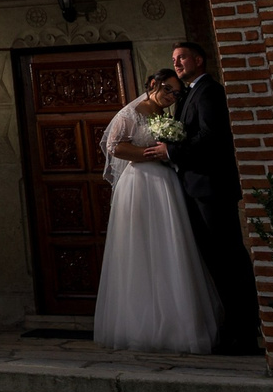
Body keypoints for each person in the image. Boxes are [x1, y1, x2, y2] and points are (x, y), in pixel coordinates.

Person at [143, 40, 263, 354]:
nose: (176, 63)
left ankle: (245, 334)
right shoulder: (188, 94)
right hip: (195, 187)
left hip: (212, 188)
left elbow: (212, 137)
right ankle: (231, 329)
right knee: (215, 261)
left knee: (228, 259)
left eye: (182, 57)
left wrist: (171, 151)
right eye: (174, 58)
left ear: (198, 60)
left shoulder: (209, 91)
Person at [94, 69, 224, 353]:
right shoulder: (130, 113)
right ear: (153, 84)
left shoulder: (166, 115)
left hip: (166, 182)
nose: (171, 97)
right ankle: (142, 324)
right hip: (140, 182)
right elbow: (114, 146)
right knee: (142, 247)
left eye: (176, 93)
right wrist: (149, 154)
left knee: (172, 245)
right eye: (167, 90)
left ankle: (179, 323)